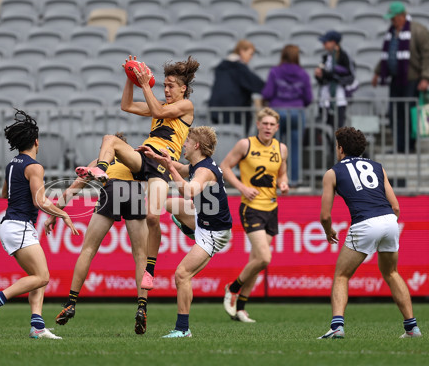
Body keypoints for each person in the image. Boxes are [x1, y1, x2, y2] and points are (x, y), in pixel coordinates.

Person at [75, 55, 199, 291]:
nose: (166, 89)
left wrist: (144, 84)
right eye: (164, 85)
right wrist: (130, 80)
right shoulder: (160, 104)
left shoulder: (186, 106)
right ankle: (101, 170)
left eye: (171, 86)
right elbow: (127, 106)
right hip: (143, 157)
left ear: (183, 89)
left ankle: (150, 270)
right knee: (110, 139)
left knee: (152, 217)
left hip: (162, 164)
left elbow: (158, 112)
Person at [0, 109, 79, 339]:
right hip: (19, 225)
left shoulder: (12, 164)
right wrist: (62, 215)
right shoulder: (35, 167)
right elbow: (40, 200)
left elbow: (6, 192)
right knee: (42, 277)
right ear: (36, 141)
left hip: (12, 224)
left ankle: (37, 326)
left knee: (37, 277)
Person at [318, 126, 421, 339]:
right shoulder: (377, 167)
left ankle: (337, 327)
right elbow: (396, 207)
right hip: (389, 221)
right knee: (392, 273)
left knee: (341, 275)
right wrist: (386, 226)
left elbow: (325, 216)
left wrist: (328, 232)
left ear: (340, 148)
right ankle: (412, 329)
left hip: (365, 223)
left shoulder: (332, 172)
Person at [46, 133, 149, 334]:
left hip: (112, 189)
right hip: (135, 192)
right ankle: (142, 307)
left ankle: (71, 303)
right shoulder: (135, 157)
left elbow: (73, 189)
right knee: (141, 256)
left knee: (88, 250)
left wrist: (54, 214)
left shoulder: (99, 161)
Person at [139, 126, 232, 338]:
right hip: (203, 219)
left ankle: (183, 329)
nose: (184, 144)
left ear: (197, 145)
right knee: (171, 206)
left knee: (182, 275)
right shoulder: (197, 165)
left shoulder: (203, 171)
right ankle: (191, 230)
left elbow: (189, 190)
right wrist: (158, 158)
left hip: (213, 233)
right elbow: (180, 169)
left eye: (187, 141)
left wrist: (169, 169)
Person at [220, 108, 289, 323]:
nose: (268, 127)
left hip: (272, 207)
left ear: (277, 127)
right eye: (265, 123)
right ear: (258, 125)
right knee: (264, 258)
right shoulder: (245, 144)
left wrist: (283, 183)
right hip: (251, 207)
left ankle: (240, 308)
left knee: (257, 261)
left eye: (272, 124)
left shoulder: (281, 148)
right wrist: (242, 187)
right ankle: (232, 289)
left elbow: (281, 172)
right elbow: (225, 166)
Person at [372, 1, 429, 153]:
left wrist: (425, 77)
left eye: (394, 18)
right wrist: (378, 72)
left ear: (402, 16)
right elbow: (388, 56)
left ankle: (409, 146)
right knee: (395, 114)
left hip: (412, 80)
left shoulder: (418, 31)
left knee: (409, 114)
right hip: (396, 80)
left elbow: (426, 56)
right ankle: (399, 146)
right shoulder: (391, 32)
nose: (392, 21)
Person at [262, 44, 313, 185]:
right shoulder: (303, 74)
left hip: (277, 112)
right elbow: (308, 98)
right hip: (297, 112)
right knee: (295, 148)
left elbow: (267, 93)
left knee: (273, 147)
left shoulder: (275, 72)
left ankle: (273, 179)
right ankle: (295, 180)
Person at [208, 39, 265, 136]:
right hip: (236, 114)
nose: (251, 58)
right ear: (242, 51)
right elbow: (258, 85)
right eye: (250, 54)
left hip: (217, 112)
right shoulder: (239, 68)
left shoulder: (220, 68)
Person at [314, 30, 356, 131]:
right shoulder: (326, 57)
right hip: (326, 98)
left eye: (326, 42)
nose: (324, 45)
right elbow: (323, 78)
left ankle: (337, 147)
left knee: (338, 128)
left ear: (333, 42)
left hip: (339, 98)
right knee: (327, 128)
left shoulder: (344, 56)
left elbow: (350, 76)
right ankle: (330, 147)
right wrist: (319, 75)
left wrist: (330, 75)